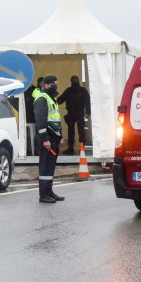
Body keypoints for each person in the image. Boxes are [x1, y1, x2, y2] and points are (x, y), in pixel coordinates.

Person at [33, 75, 65, 204]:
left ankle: (49, 191)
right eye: (53, 83)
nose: (55, 85)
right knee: (45, 166)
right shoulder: (42, 98)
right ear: (46, 84)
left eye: (56, 83)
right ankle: (43, 194)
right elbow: (41, 121)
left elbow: (56, 120)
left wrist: (60, 136)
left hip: (53, 137)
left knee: (50, 166)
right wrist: (45, 139)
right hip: (47, 138)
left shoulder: (52, 98)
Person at [57, 75, 91, 154]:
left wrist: (88, 113)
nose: (75, 81)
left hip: (79, 113)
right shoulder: (69, 90)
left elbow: (88, 102)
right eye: (74, 80)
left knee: (80, 132)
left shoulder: (82, 90)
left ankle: (81, 148)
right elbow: (60, 100)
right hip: (72, 114)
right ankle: (71, 148)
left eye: (75, 80)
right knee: (71, 132)